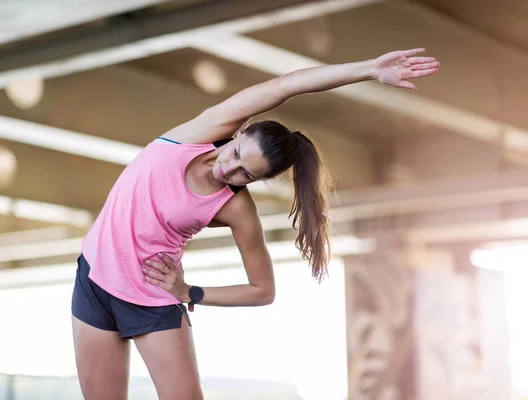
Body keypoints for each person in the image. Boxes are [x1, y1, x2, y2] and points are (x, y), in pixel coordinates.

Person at [71, 48, 439, 400]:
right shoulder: (196, 134)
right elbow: (285, 86)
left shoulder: (236, 208)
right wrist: (371, 69)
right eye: (235, 154)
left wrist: (191, 292)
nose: (227, 169)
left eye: (244, 174)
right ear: (238, 131)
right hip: (93, 279)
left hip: (151, 296)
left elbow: (263, 290)